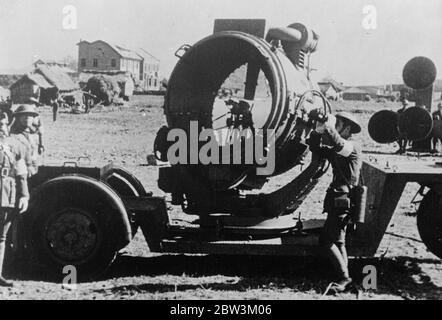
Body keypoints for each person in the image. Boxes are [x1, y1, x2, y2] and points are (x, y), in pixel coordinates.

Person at [315, 112, 362, 292]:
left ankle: (344, 278)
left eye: (339, 124)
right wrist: (318, 130)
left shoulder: (352, 147)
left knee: (326, 241)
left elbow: (339, 144)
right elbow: (316, 148)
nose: (337, 126)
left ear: (348, 128)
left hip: (342, 198)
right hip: (339, 198)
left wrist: (329, 126)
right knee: (339, 242)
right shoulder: (341, 147)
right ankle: (345, 278)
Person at [0, 131, 30, 287]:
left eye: (4, 124)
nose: (2, 128)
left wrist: (24, 195)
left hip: (6, 195)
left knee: (1, 237)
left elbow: (21, 172)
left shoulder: (16, 145)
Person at [10, 105, 43, 177]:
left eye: (30, 116)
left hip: (33, 170)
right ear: (18, 118)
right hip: (20, 173)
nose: (27, 118)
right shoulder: (13, 136)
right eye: (24, 115)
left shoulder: (32, 135)